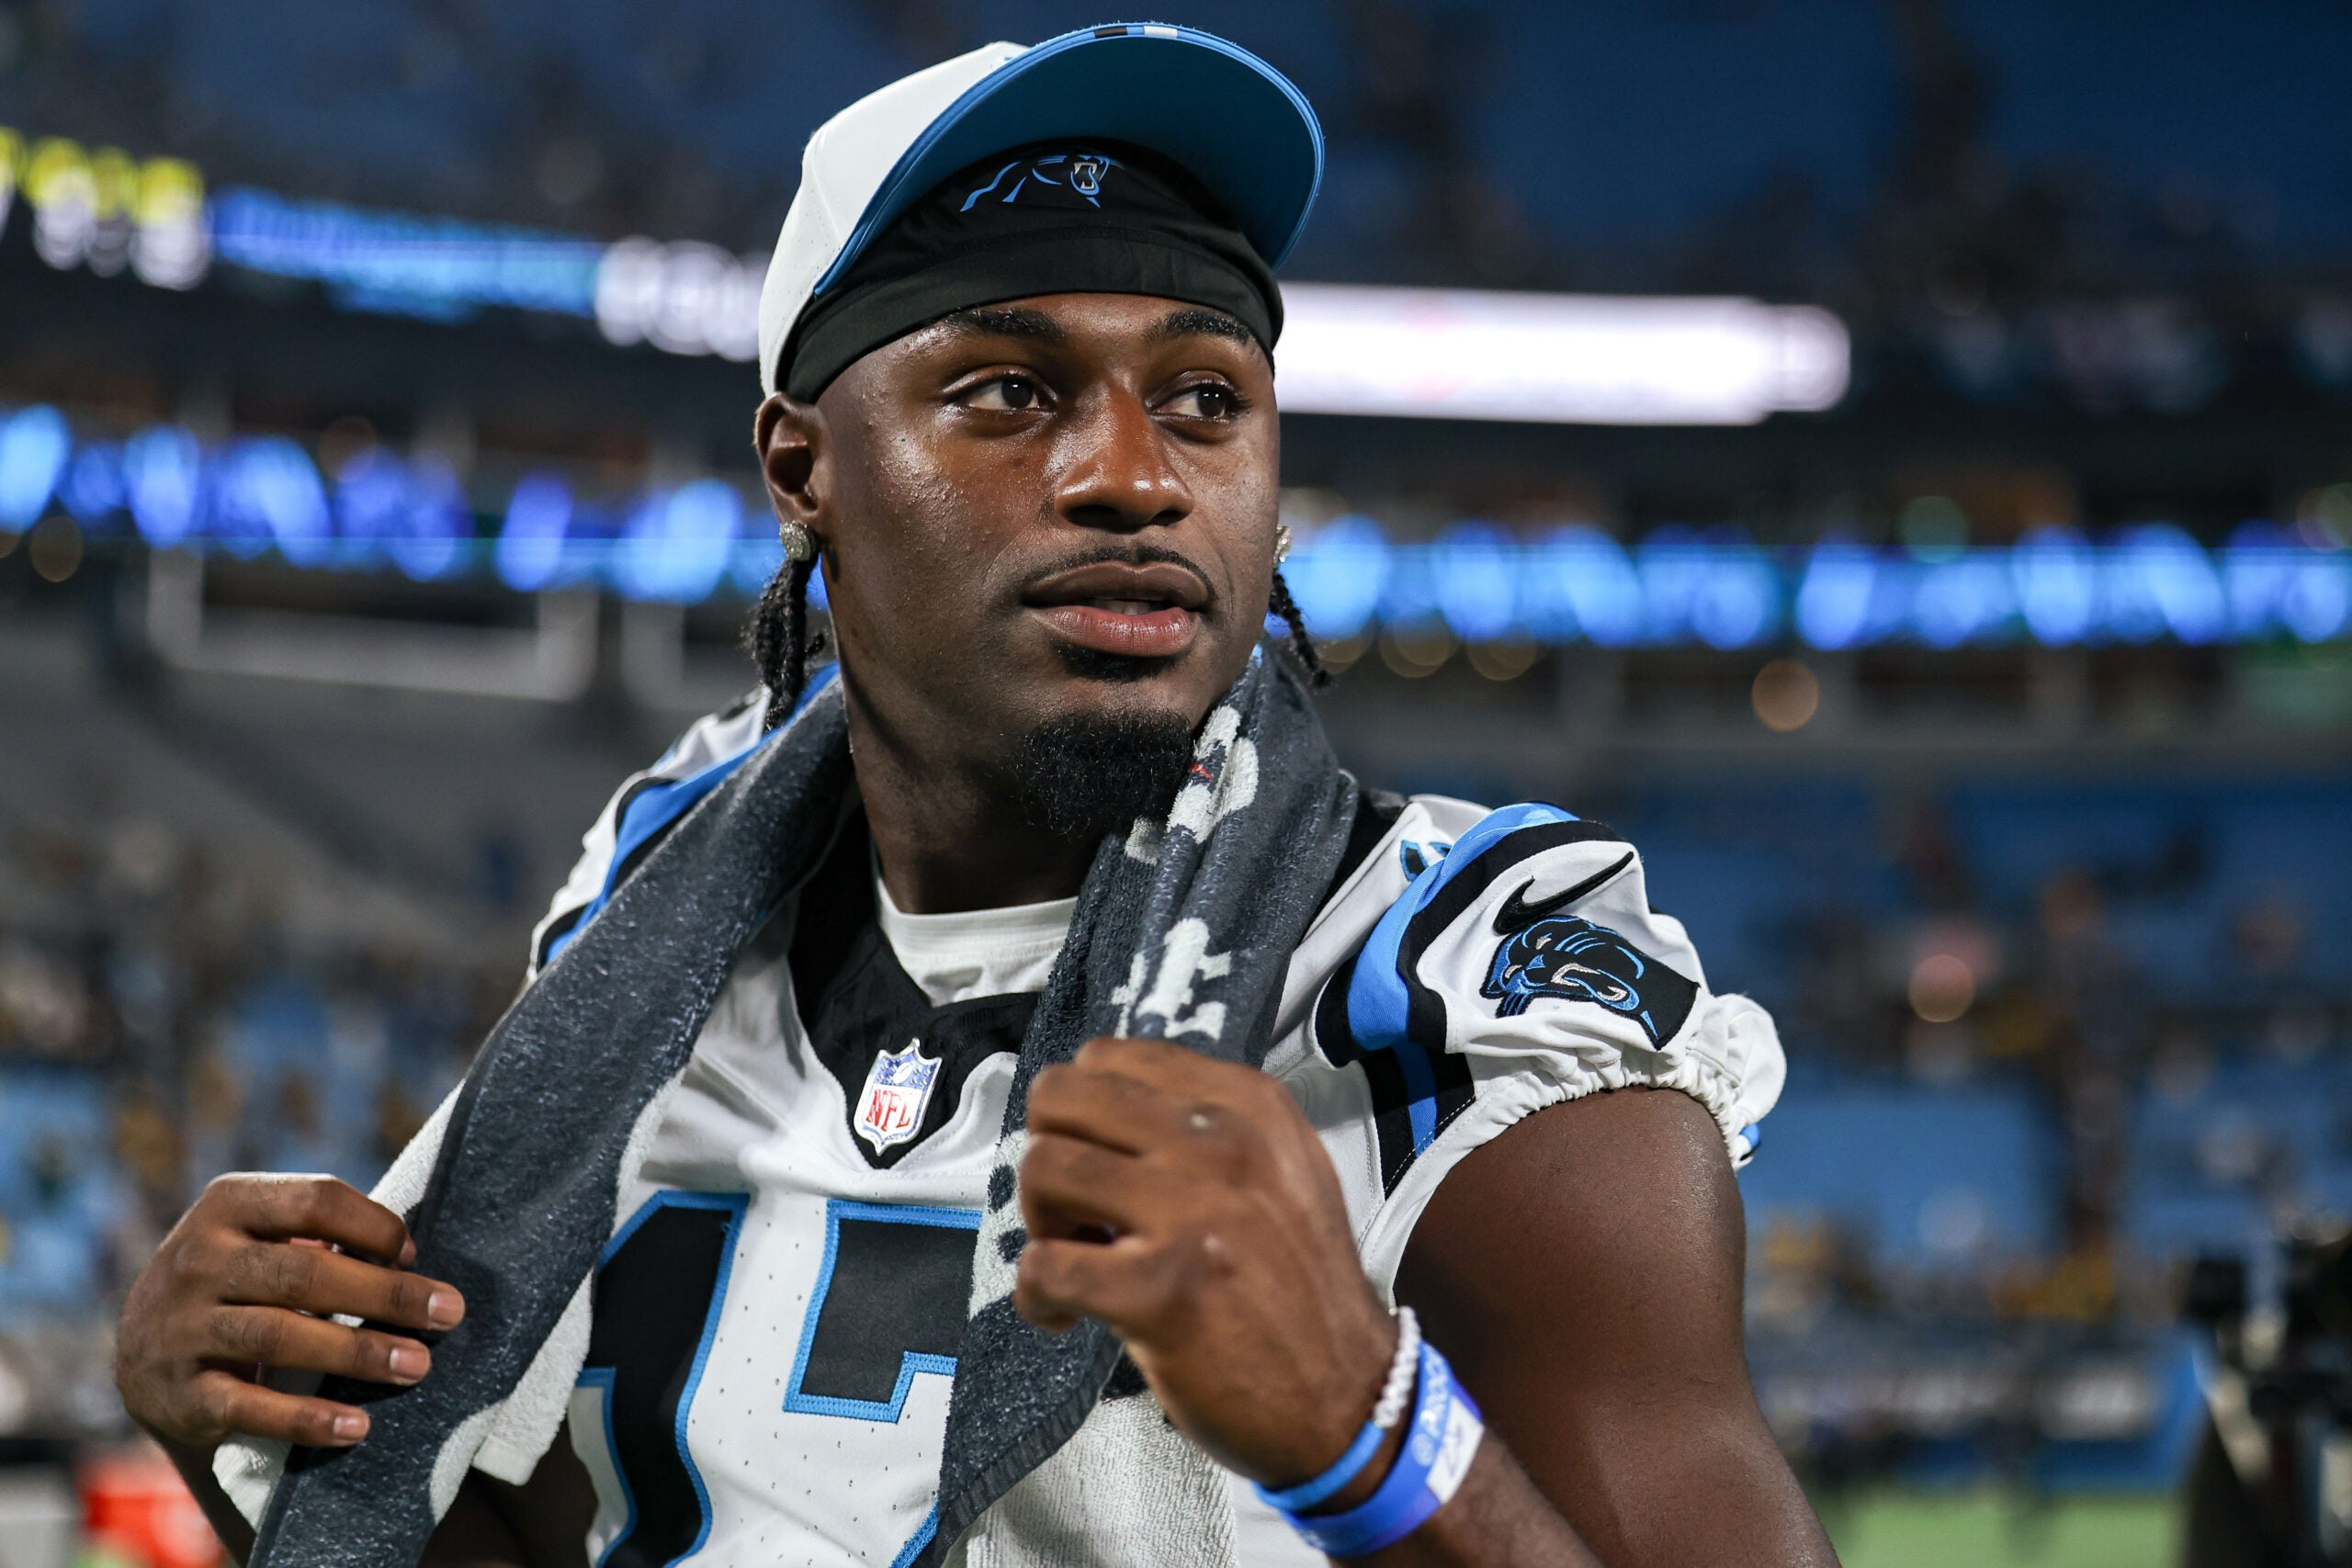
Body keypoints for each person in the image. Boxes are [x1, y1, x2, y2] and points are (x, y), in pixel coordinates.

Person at [113, 24, 1834, 1568]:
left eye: (1205, 400)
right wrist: (252, 1427)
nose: (1132, 477)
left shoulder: (1452, 991)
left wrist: (1374, 1441)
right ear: (803, 471)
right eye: (1011, 393)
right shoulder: (650, 907)